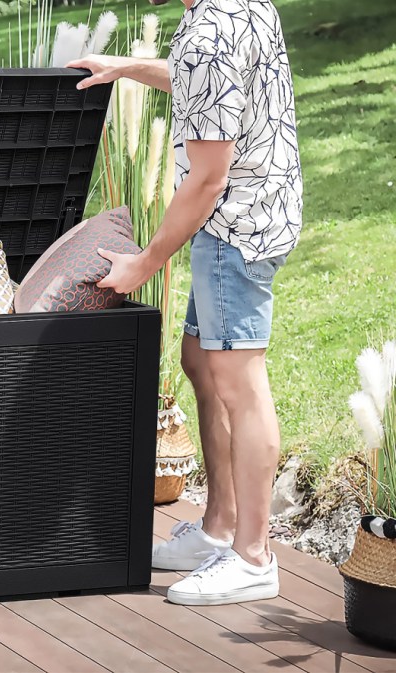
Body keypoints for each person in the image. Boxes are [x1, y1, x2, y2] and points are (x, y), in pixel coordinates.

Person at [66, 0, 302, 606]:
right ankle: (219, 528)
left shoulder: (210, 30)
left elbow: (207, 178)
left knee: (238, 382)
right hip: (257, 216)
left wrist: (146, 262)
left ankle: (252, 558)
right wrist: (129, 66)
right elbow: (212, 83)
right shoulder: (246, 8)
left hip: (231, 233)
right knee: (200, 362)